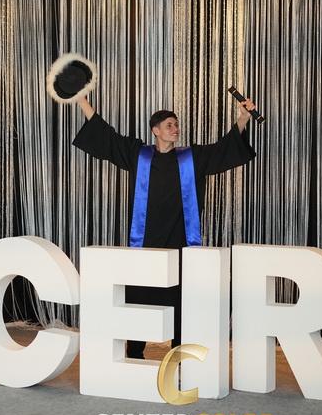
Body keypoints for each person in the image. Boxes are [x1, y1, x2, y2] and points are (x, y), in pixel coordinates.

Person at [73, 95, 257, 358]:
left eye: (177, 124)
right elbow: (107, 137)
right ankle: (134, 352)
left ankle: (179, 355)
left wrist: (243, 118)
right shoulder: (139, 155)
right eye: (169, 125)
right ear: (155, 130)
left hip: (181, 240)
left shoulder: (191, 158)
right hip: (145, 242)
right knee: (139, 296)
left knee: (182, 298)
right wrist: (83, 101)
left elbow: (223, 149)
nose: (175, 128)